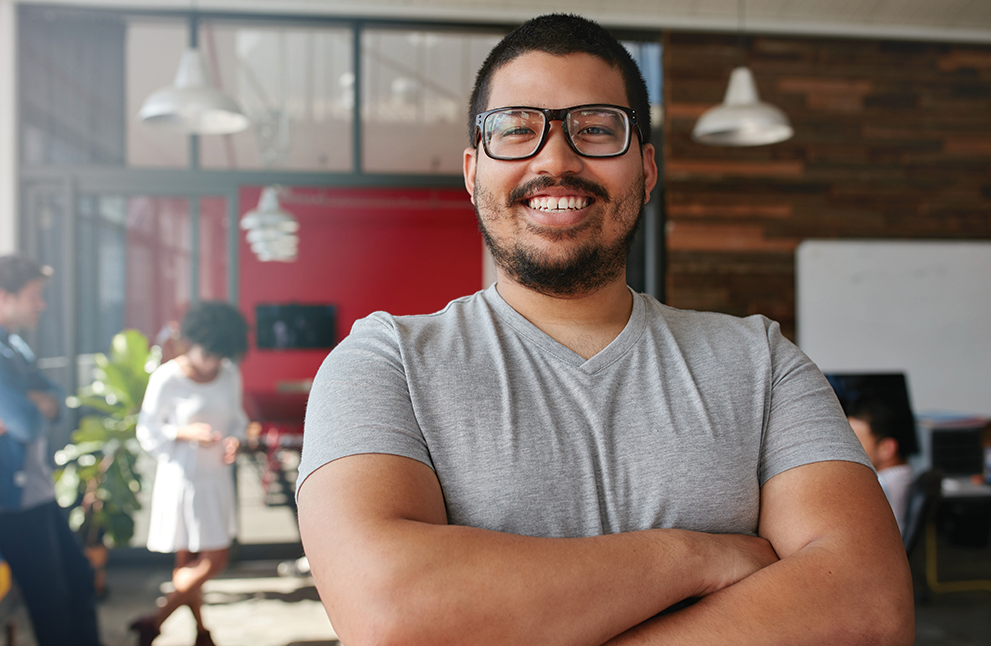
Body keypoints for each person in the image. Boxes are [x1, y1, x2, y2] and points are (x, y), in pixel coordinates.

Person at [296, 13, 914, 646]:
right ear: (472, 171)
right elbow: (390, 611)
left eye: (595, 129)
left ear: (646, 171)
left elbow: (866, 605)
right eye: (515, 130)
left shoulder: (761, 362)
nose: (556, 159)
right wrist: (696, 557)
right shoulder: (384, 363)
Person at [130, 301, 250, 646]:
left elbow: (237, 420)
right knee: (205, 560)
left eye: (219, 355)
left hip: (216, 479)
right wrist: (184, 433)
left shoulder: (229, 375)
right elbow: (147, 430)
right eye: (207, 353)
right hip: (182, 479)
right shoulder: (167, 377)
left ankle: (163, 623)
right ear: (192, 342)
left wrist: (235, 442)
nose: (212, 362)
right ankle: (186, 628)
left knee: (201, 561)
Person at [0, 254, 103, 646]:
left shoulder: (16, 348)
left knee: (77, 580)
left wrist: (33, 403)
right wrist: (32, 406)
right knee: (52, 602)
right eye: (35, 295)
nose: (41, 304)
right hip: (12, 503)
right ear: (4, 296)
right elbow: (26, 424)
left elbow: (58, 400)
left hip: (36, 495)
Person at [846, 397, 917, 533]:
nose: (846, 450)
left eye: (855, 442)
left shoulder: (879, 488)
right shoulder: (905, 475)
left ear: (887, 448)